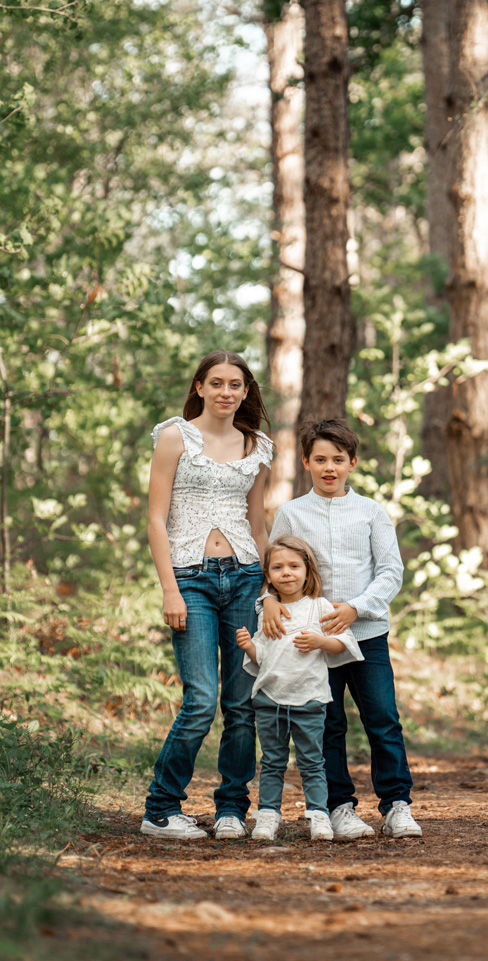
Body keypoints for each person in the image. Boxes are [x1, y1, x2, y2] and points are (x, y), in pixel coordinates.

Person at [264, 418, 422, 840]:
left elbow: (391, 571)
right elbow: (272, 569)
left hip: (366, 633)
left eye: (338, 459)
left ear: (352, 462)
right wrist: (267, 600)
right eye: (320, 460)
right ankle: (339, 807)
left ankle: (396, 805)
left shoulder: (371, 512)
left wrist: (356, 608)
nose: (329, 468)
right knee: (327, 724)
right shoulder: (291, 513)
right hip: (313, 641)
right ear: (306, 463)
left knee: (383, 718)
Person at [140, 350, 273, 840]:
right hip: (190, 578)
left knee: (242, 704)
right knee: (200, 699)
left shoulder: (258, 445)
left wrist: (272, 592)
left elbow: (258, 524)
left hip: (244, 577)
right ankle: (160, 810)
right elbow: (156, 519)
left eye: (235, 384)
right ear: (199, 387)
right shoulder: (174, 435)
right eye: (216, 383)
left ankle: (232, 810)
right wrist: (169, 590)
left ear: (244, 390)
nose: (226, 392)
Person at [236, 534, 363, 842]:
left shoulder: (318, 606)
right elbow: (264, 656)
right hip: (270, 699)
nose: (287, 573)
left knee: (312, 761)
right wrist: (249, 647)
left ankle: (318, 816)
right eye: (278, 567)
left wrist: (321, 641)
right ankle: (267, 817)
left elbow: (344, 644)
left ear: (308, 571)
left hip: (310, 700)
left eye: (294, 566)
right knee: (272, 761)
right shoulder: (267, 610)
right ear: (268, 576)